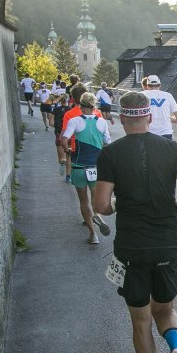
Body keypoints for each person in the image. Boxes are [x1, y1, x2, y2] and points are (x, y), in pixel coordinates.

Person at [93, 91, 177, 353]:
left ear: (121, 118)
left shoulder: (110, 154)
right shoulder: (170, 149)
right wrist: (175, 207)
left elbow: (101, 205)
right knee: (166, 310)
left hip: (132, 248)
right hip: (168, 243)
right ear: (150, 117)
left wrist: (115, 207)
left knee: (141, 318)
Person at [61, 92, 112, 244]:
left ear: (81, 106)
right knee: (95, 199)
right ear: (94, 106)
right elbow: (107, 143)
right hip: (95, 166)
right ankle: (97, 215)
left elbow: (64, 140)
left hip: (79, 166)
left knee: (83, 200)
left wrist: (68, 151)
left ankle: (93, 234)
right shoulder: (102, 122)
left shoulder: (75, 121)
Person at [62, 84, 105, 184]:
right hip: (95, 150)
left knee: (70, 157)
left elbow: (63, 136)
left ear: (72, 97)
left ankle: (68, 175)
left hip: (76, 147)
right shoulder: (97, 113)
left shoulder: (69, 114)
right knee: (95, 193)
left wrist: (66, 150)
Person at [141, 75, 177, 139]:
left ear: (147, 86)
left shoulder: (141, 95)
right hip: (166, 133)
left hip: (147, 132)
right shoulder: (168, 96)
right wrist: (166, 118)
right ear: (159, 85)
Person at [51, 94, 71, 178]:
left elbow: (50, 123)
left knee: (61, 157)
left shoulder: (55, 110)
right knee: (69, 155)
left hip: (59, 134)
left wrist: (56, 126)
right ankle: (68, 175)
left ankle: (62, 160)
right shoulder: (70, 110)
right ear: (68, 100)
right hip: (68, 135)